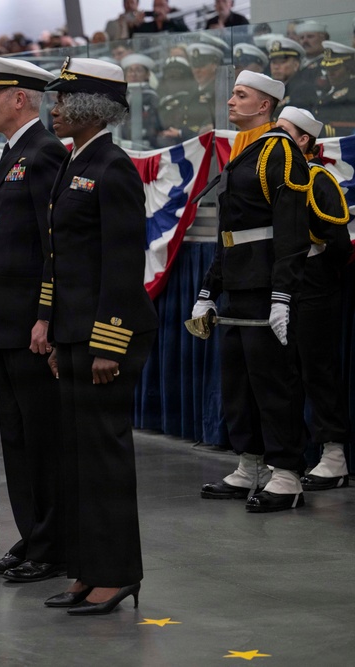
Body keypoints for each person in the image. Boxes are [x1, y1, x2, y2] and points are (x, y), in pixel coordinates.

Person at [40, 58, 157, 615]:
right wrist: (56, 332)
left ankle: (117, 573)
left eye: (64, 99)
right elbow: (60, 257)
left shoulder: (113, 168)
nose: (55, 108)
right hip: (74, 335)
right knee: (78, 458)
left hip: (106, 339)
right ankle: (87, 569)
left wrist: (108, 344)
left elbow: (122, 262)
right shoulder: (74, 162)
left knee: (104, 458)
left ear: (92, 106)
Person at [0, 53, 69, 581]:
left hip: (30, 326)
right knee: (17, 440)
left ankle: (52, 545)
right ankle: (32, 537)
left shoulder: (44, 152)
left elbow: (51, 245)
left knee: (43, 442)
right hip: (6, 326)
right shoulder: (15, 151)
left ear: (20, 98)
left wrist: (45, 316)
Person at [193, 71, 311, 513]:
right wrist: (208, 290)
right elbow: (229, 231)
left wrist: (282, 294)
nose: (231, 101)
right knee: (238, 382)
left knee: (273, 382)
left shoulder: (280, 151)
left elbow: (291, 229)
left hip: (264, 284)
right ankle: (252, 463)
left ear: (264, 105)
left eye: (241, 95)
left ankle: (287, 472)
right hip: (237, 282)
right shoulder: (247, 151)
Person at [274, 107, 352, 491]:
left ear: (304, 140)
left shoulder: (317, 178)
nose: (274, 138)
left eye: (283, 131)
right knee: (286, 372)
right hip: (283, 283)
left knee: (317, 368)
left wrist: (318, 276)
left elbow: (337, 242)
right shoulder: (279, 175)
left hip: (314, 282)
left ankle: (334, 455)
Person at [317, 41, 355, 136]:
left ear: (348, 68)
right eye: (327, 68)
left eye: (334, 69)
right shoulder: (327, 89)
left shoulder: (352, 91)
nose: (330, 73)